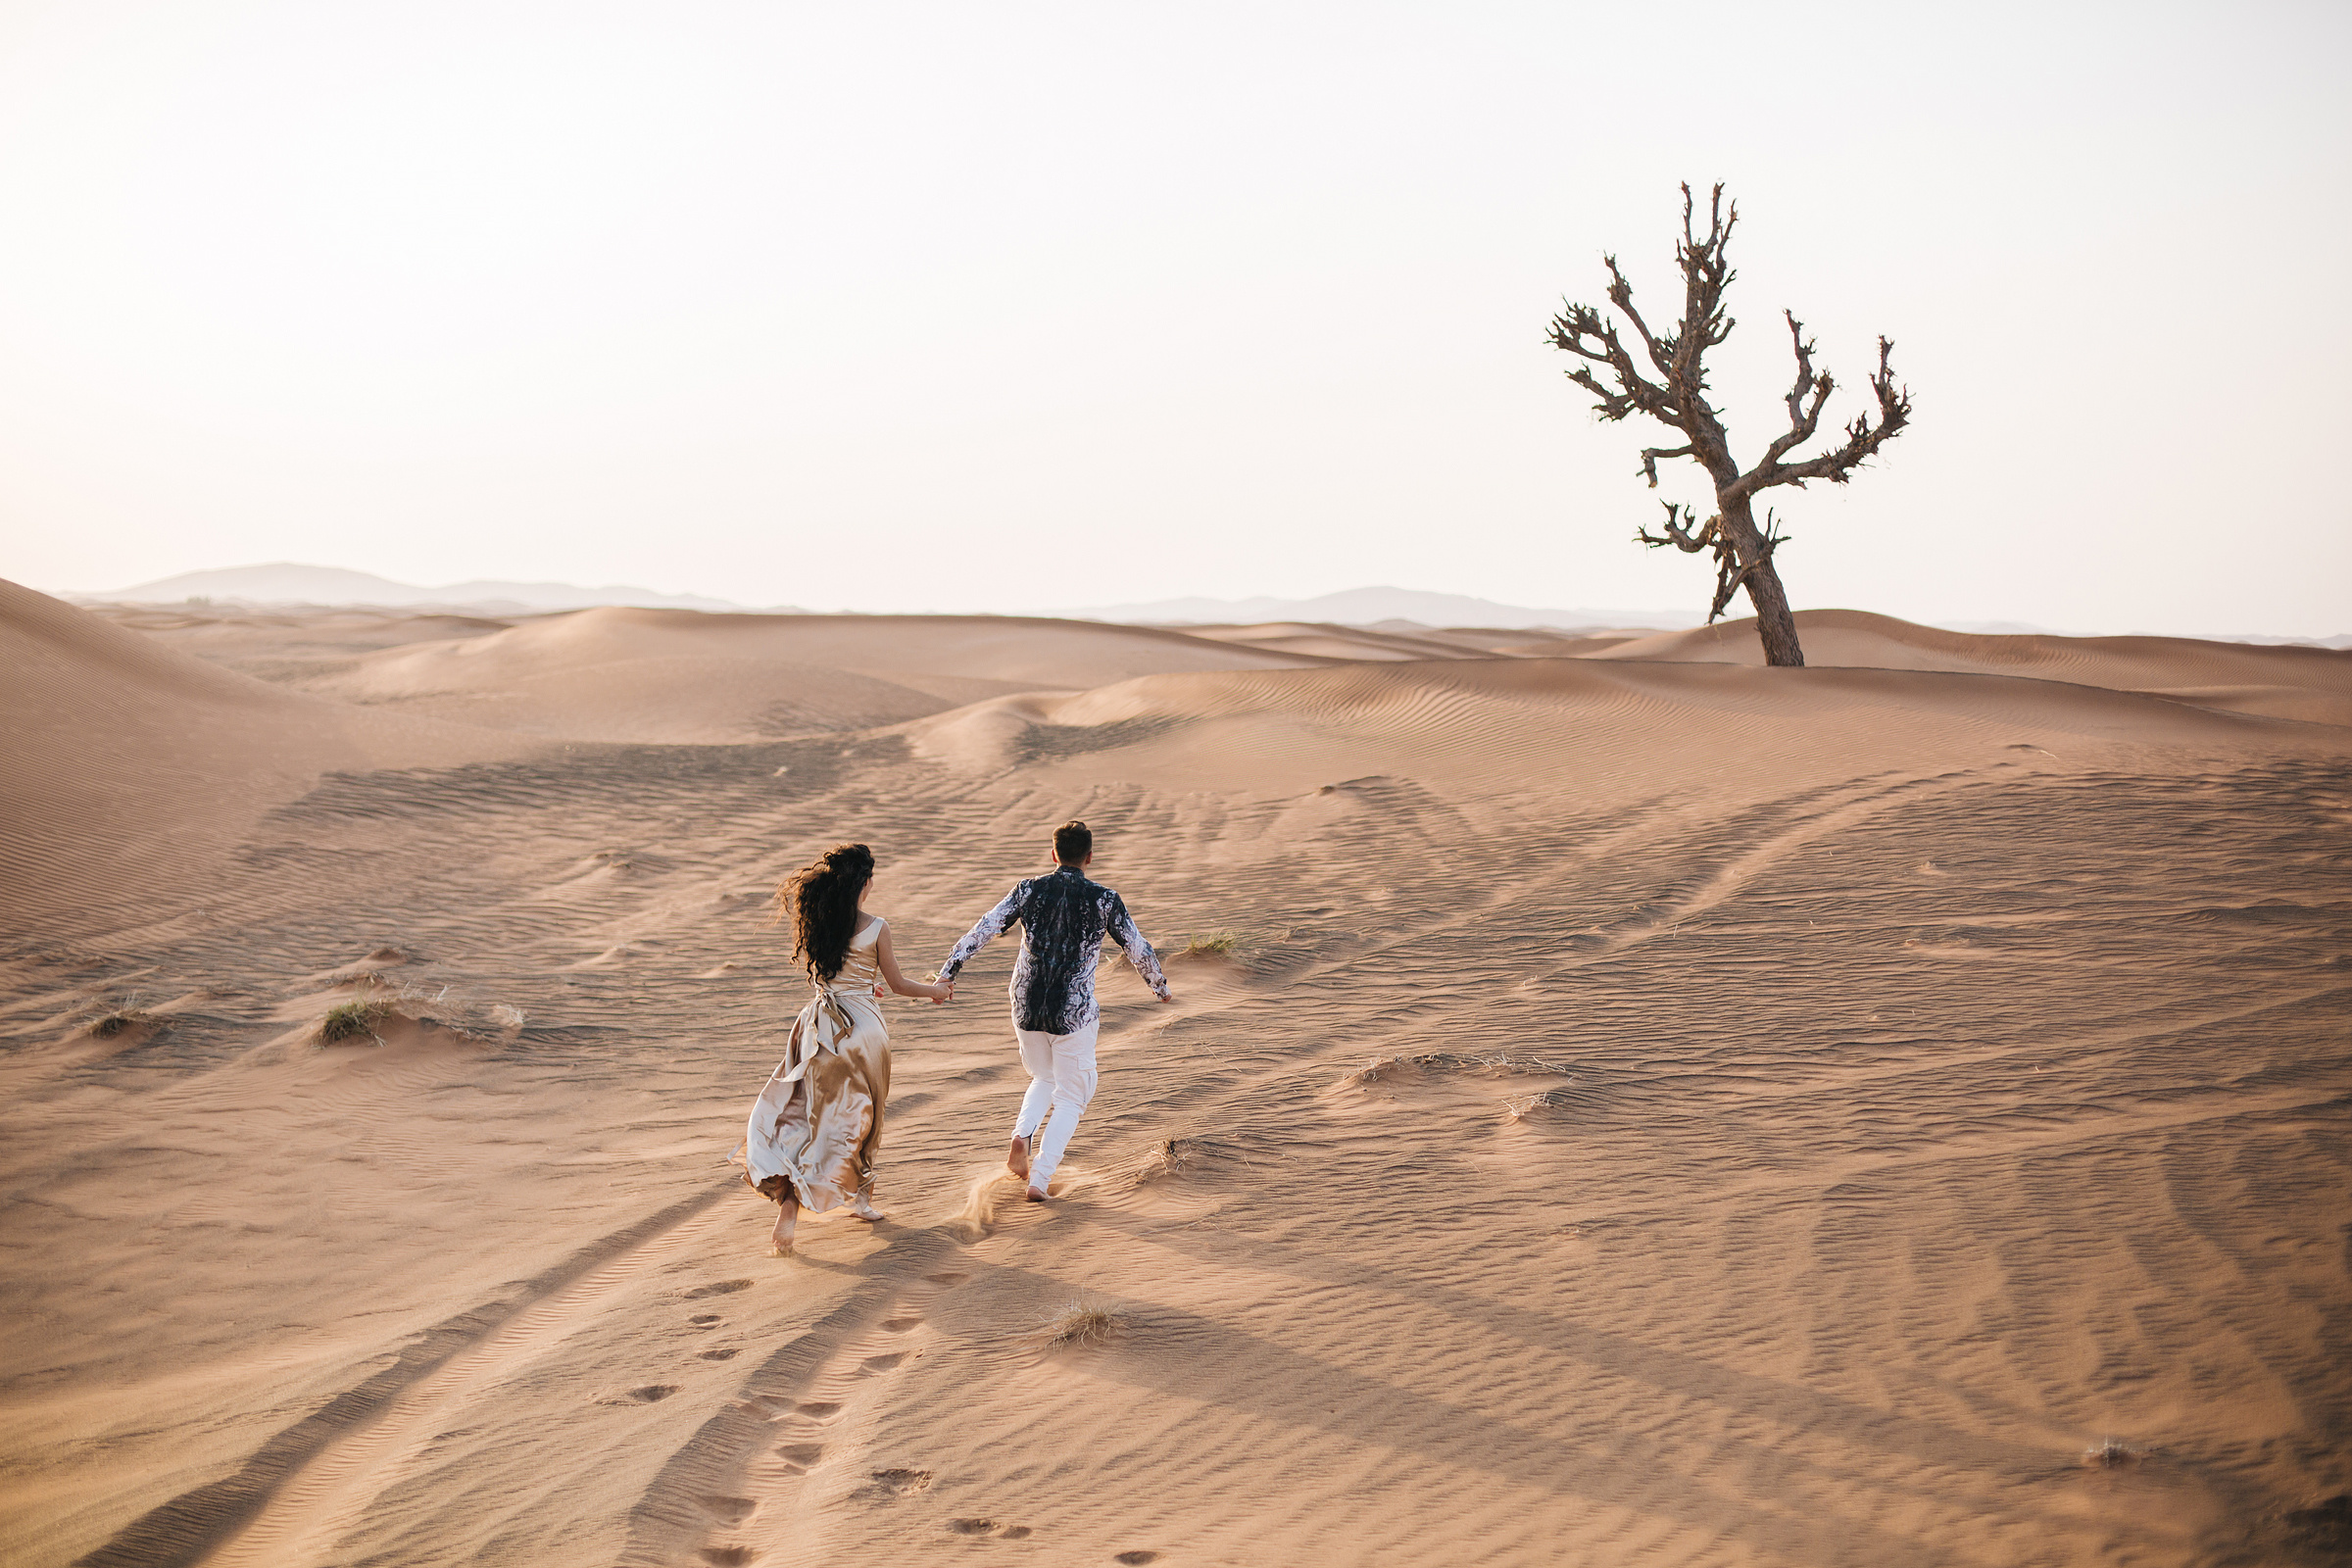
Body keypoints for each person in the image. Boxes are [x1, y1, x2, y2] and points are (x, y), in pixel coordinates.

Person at [935, 819, 1172, 1202]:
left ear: (1053, 854)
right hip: (1072, 1010)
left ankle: (1021, 1135)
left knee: (1044, 1076)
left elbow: (985, 927)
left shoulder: (1029, 889)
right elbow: (1137, 947)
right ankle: (1040, 1179)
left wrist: (949, 970)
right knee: (1073, 1096)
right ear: (1089, 857)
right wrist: (1160, 987)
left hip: (1026, 1003)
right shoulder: (1104, 899)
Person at [741, 843, 949, 1255]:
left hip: (818, 1028)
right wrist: (936, 991)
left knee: (806, 1116)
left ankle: (790, 1201)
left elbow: (837, 977)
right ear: (864, 883)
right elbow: (899, 985)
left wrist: (863, 985)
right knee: (864, 1118)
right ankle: (862, 1200)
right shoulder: (877, 927)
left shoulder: (818, 921)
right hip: (862, 1032)